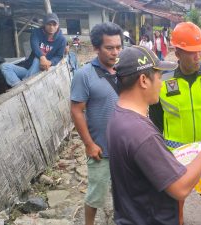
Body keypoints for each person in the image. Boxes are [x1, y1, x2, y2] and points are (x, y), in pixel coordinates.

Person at [107, 45, 201, 225]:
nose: (161, 82)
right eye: (158, 76)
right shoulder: (143, 135)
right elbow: (180, 188)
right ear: (143, 80)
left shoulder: (119, 116)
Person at [149, 22, 201, 225]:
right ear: (177, 52)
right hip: (175, 153)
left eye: (200, 52)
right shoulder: (163, 81)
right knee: (178, 195)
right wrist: (158, 151)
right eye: (192, 53)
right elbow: (156, 119)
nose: (198, 57)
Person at [70, 22, 123, 225]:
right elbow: (76, 110)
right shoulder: (84, 75)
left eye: (118, 47)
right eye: (109, 48)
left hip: (125, 147)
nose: (115, 52)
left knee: (125, 192)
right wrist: (89, 144)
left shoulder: (123, 70)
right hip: (102, 149)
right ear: (96, 47)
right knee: (96, 194)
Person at [1, 13, 66, 87]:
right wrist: (42, 57)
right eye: (49, 24)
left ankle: (24, 85)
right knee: (5, 66)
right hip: (29, 69)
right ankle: (19, 86)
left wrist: (49, 62)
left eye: (54, 25)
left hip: (43, 69)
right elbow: (34, 45)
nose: (51, 27)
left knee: (37, 60)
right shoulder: (37, 32)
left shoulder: (62, 40)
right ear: (44, 24)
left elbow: (59, 56)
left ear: (58, 25)